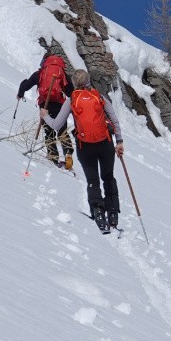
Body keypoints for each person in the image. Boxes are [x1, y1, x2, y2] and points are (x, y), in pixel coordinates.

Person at [48, 69, 124, 232]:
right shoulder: (99, 97)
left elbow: (56, 125)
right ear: (89, 81)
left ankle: (98, 212)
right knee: (108, 177)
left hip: (85, 146)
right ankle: (112, 213)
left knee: (93, 180)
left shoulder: (71, 100)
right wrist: (119, 142)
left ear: (74, 84)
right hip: (105, 144)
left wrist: (44, 115)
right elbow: (114, 121)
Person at [17, 51, 74, 169]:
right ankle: (68, 154)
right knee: (62, 130)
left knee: (49, 131)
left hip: (45, 105)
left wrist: (20, 93)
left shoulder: (40, 73)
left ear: (44, 62)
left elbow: (25, 85)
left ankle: (53, 158)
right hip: (59, 105)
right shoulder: (61, 73)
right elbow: (71, 92)